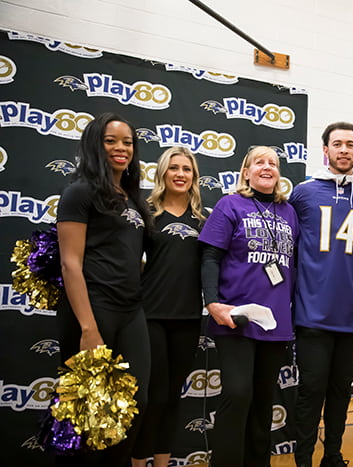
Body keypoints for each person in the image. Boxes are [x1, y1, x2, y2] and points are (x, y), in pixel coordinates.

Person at [55, 112, 152, 466]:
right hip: (93, 309)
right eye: (111, 141)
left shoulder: (131, 198)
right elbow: (70, 264)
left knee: (135, 403)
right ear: (96, 144)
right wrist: (88, 327)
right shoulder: (79, 192)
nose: (121, 148)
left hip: (130, 311)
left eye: (127, 142)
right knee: (86, 413)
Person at [198, 146, 298, 467]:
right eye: (260, 162)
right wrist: (212, 302)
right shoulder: (231, 204)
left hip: (276, 322)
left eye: (273, 163)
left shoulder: (289, 213)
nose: (267, 167)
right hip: (236, 317)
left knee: (263, 402)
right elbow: (211, 256)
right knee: (238, 394)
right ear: (246, 172)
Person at [290, 122, 353, 467]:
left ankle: (332, 456)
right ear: (325, 150)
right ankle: (302, 460)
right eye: (337, 144)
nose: (343, 150)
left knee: (341, 392)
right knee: (311, 391)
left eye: (350, 144)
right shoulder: (302, 193)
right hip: (312, 313)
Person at [131, 147, 207, 467]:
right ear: (162, 173)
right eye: (173, 167)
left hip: (188, 318)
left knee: (173, 397)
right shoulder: (146, 213)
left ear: (194, 176)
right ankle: (137, 461)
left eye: (186, 169)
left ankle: (162, 463)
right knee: (152, 398)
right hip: (150, 316)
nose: (180, 174)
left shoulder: (205, 220)